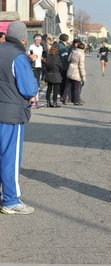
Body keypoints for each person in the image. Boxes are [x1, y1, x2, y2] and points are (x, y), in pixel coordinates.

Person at [0, 20, 38, 214]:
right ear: (24, 38)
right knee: (10, 158)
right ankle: (10, 200)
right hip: (11, 115)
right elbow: (29, 88)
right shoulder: (19, 57)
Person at [29, 34, 44, 108]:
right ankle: (33, 101)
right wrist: (33, 57)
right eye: (37, 40)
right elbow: (30, 55)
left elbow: (41, 56)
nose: (39, 41)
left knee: (37, 83)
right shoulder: (32, 47)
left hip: (39, 66)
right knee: (34, 82)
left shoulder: (41, 47)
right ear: (35, 40)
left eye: (40, 40)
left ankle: (37, 101)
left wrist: (41, 59)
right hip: (33, 66)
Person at [58, 33, 69, 99]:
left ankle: (61, 93)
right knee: (63, 80)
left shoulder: (60, 45)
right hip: (63, 66)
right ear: (66, 39)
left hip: (60, 65)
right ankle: (62, 94)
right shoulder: (62, 47)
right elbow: (64, 58)